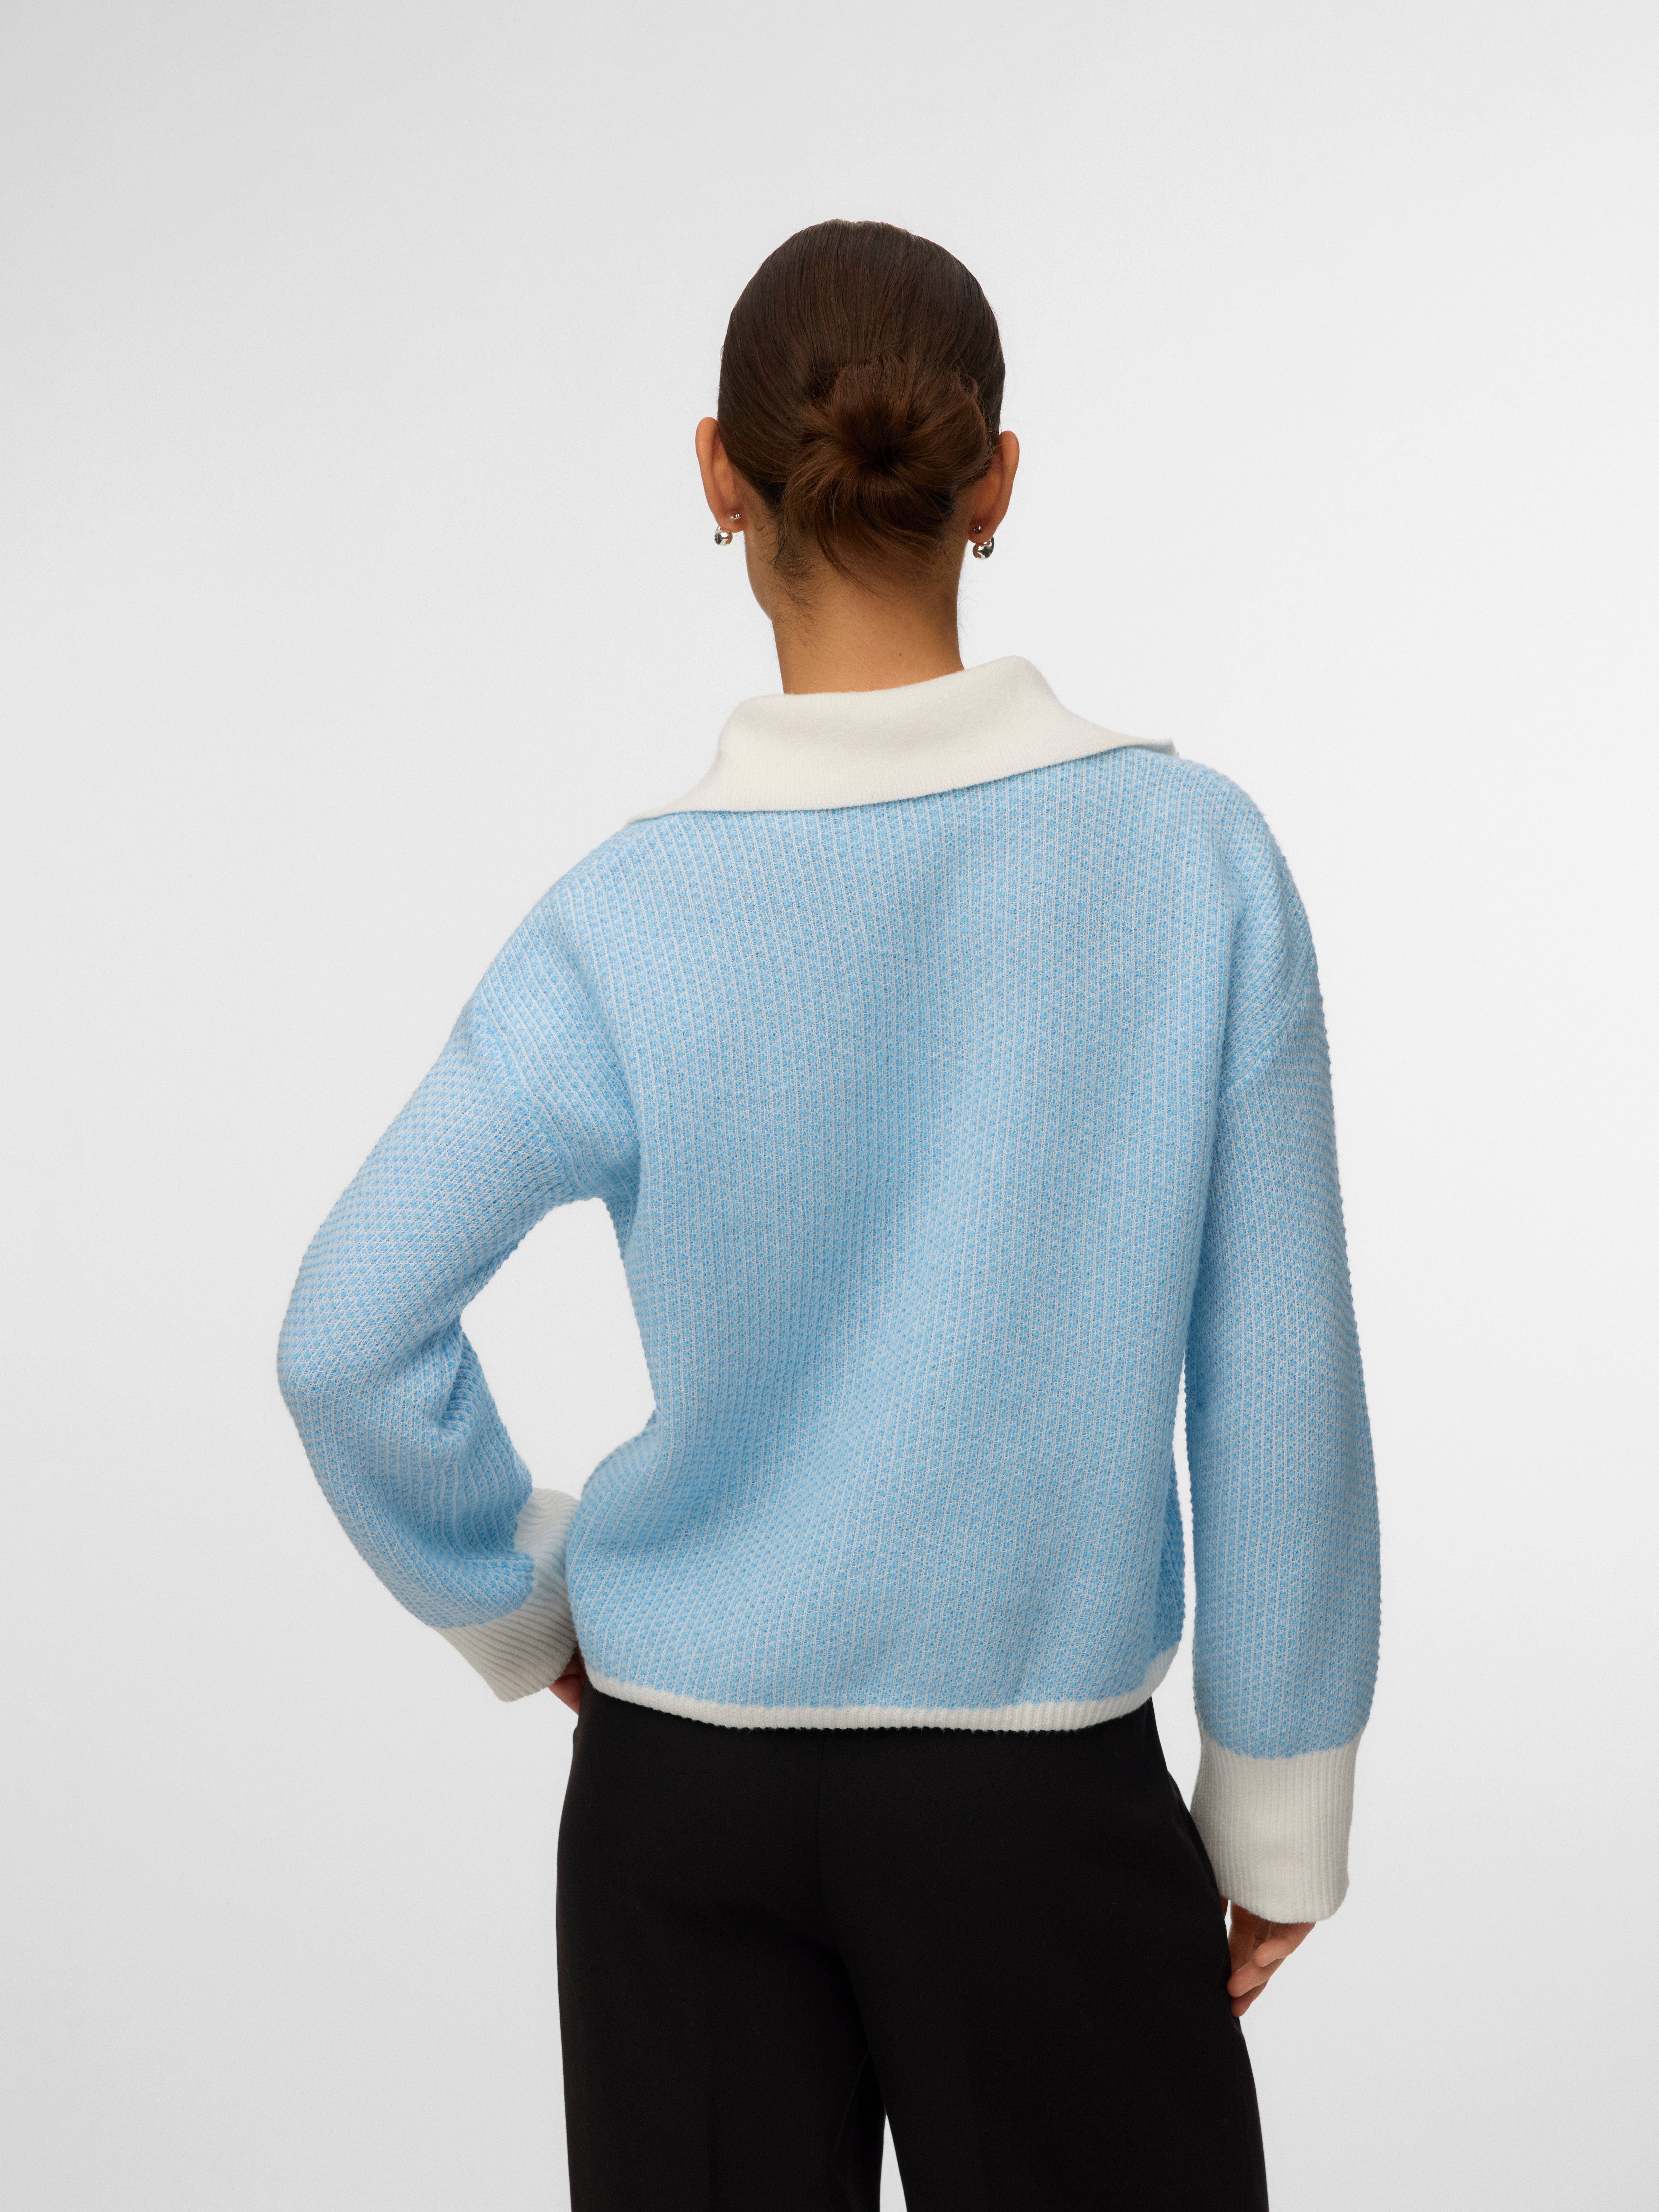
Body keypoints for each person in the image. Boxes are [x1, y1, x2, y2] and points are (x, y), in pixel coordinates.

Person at [278, 217, 1380, 2211]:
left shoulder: (623, 916)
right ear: (996, 481)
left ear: (721, 475)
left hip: (678, 1790)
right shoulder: (1193, 865)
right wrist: (1279, 1799)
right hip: (1037, 1798)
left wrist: (525, 1603)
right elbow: (1277, 1380)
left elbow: (348, 1332)